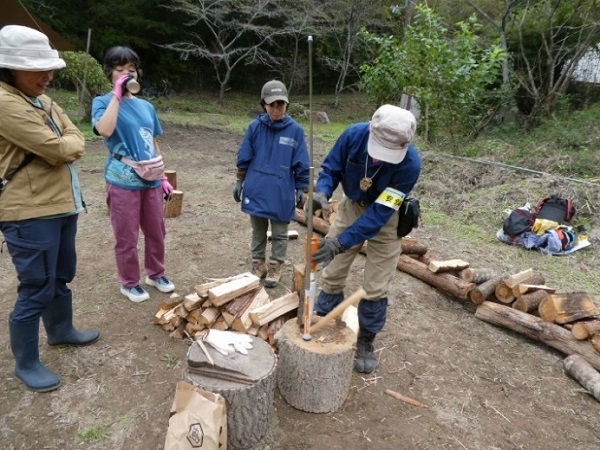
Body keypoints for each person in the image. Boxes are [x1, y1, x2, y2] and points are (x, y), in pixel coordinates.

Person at [0, 25, 100, 392]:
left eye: (49, 67)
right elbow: (61, 148)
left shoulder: (41, 101)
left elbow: (76, 135)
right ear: (10, 67)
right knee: (36, 285)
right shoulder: (5, 102)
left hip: (60, 203)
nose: (47, 76)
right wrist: (66, 141)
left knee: (61, 274)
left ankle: (60, 331)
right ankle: (25, 363)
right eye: (37, 68)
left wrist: (67, 140)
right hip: (28, 210)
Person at [310, 104, 421, 374]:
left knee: (376, 285)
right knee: (332, 271)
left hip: (386, 218)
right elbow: (331, 168)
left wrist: (341, 242)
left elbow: (380, 214)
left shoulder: (410, 165)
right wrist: (322, 190)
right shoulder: (353, 135)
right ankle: (324, 320)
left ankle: (365, 341)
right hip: (351, 206)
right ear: (371, 129)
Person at [92, 46, 175, 303]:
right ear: (109, 73)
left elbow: (152, 140)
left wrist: (162, 177)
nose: (127, 74)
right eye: (120, 70)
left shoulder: (146, 106)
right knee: (126, 235)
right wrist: (117, 96)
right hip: (122, 179)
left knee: (156, 231)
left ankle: (156, 274)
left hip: (150, 178)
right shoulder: (102, 102)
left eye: (132, 69)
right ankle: (129, 282)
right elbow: (104, 130)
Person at [233, 80, 309, 287]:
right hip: (256, 186)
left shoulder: (295, 131)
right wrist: (240, 180)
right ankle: (258, 265)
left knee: (279, 232)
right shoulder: (255, 128)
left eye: (280, 104)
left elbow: (302, 161)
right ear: (264, 105)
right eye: (272, 104)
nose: (276, 108)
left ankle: (276, 267)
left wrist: (302, 187)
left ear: (287, 105)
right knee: (258, 230)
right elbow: (245, 155)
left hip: (281, 189)